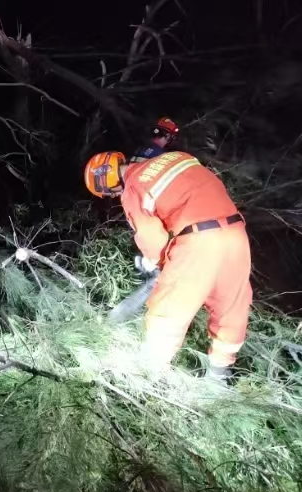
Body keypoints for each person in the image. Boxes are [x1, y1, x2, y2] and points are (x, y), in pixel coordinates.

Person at [83, 150, 251, 379]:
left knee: (169, 311)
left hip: (200, 241)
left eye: (108, 194)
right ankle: (219, 374)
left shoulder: (132, 186)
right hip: (236, 235)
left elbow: (151, 237)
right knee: (230, 307)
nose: (113, 196)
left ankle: (149, 376)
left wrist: (158, 263)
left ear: (107, 183)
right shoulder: (176, 157)